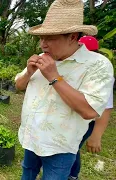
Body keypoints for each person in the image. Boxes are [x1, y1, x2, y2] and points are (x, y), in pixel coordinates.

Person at [14, 0, 114, 179]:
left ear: (73, 36)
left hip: (59, 147)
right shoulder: (42, 58)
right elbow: (18, 86)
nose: (43, 45)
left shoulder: (97, 65)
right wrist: (28, 73)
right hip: (30, 137)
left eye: (50, 38)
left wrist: (54, 77)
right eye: (41, 38)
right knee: (27, 172)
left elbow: (89, 110)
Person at [68, 36, 114, 180]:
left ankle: (71, 175)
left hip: (88, 121)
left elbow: (106, 107)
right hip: (71, 118)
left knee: (71, 148)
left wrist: (96, 135)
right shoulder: (75, 66)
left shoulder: (101, 72)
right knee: (69, 146)